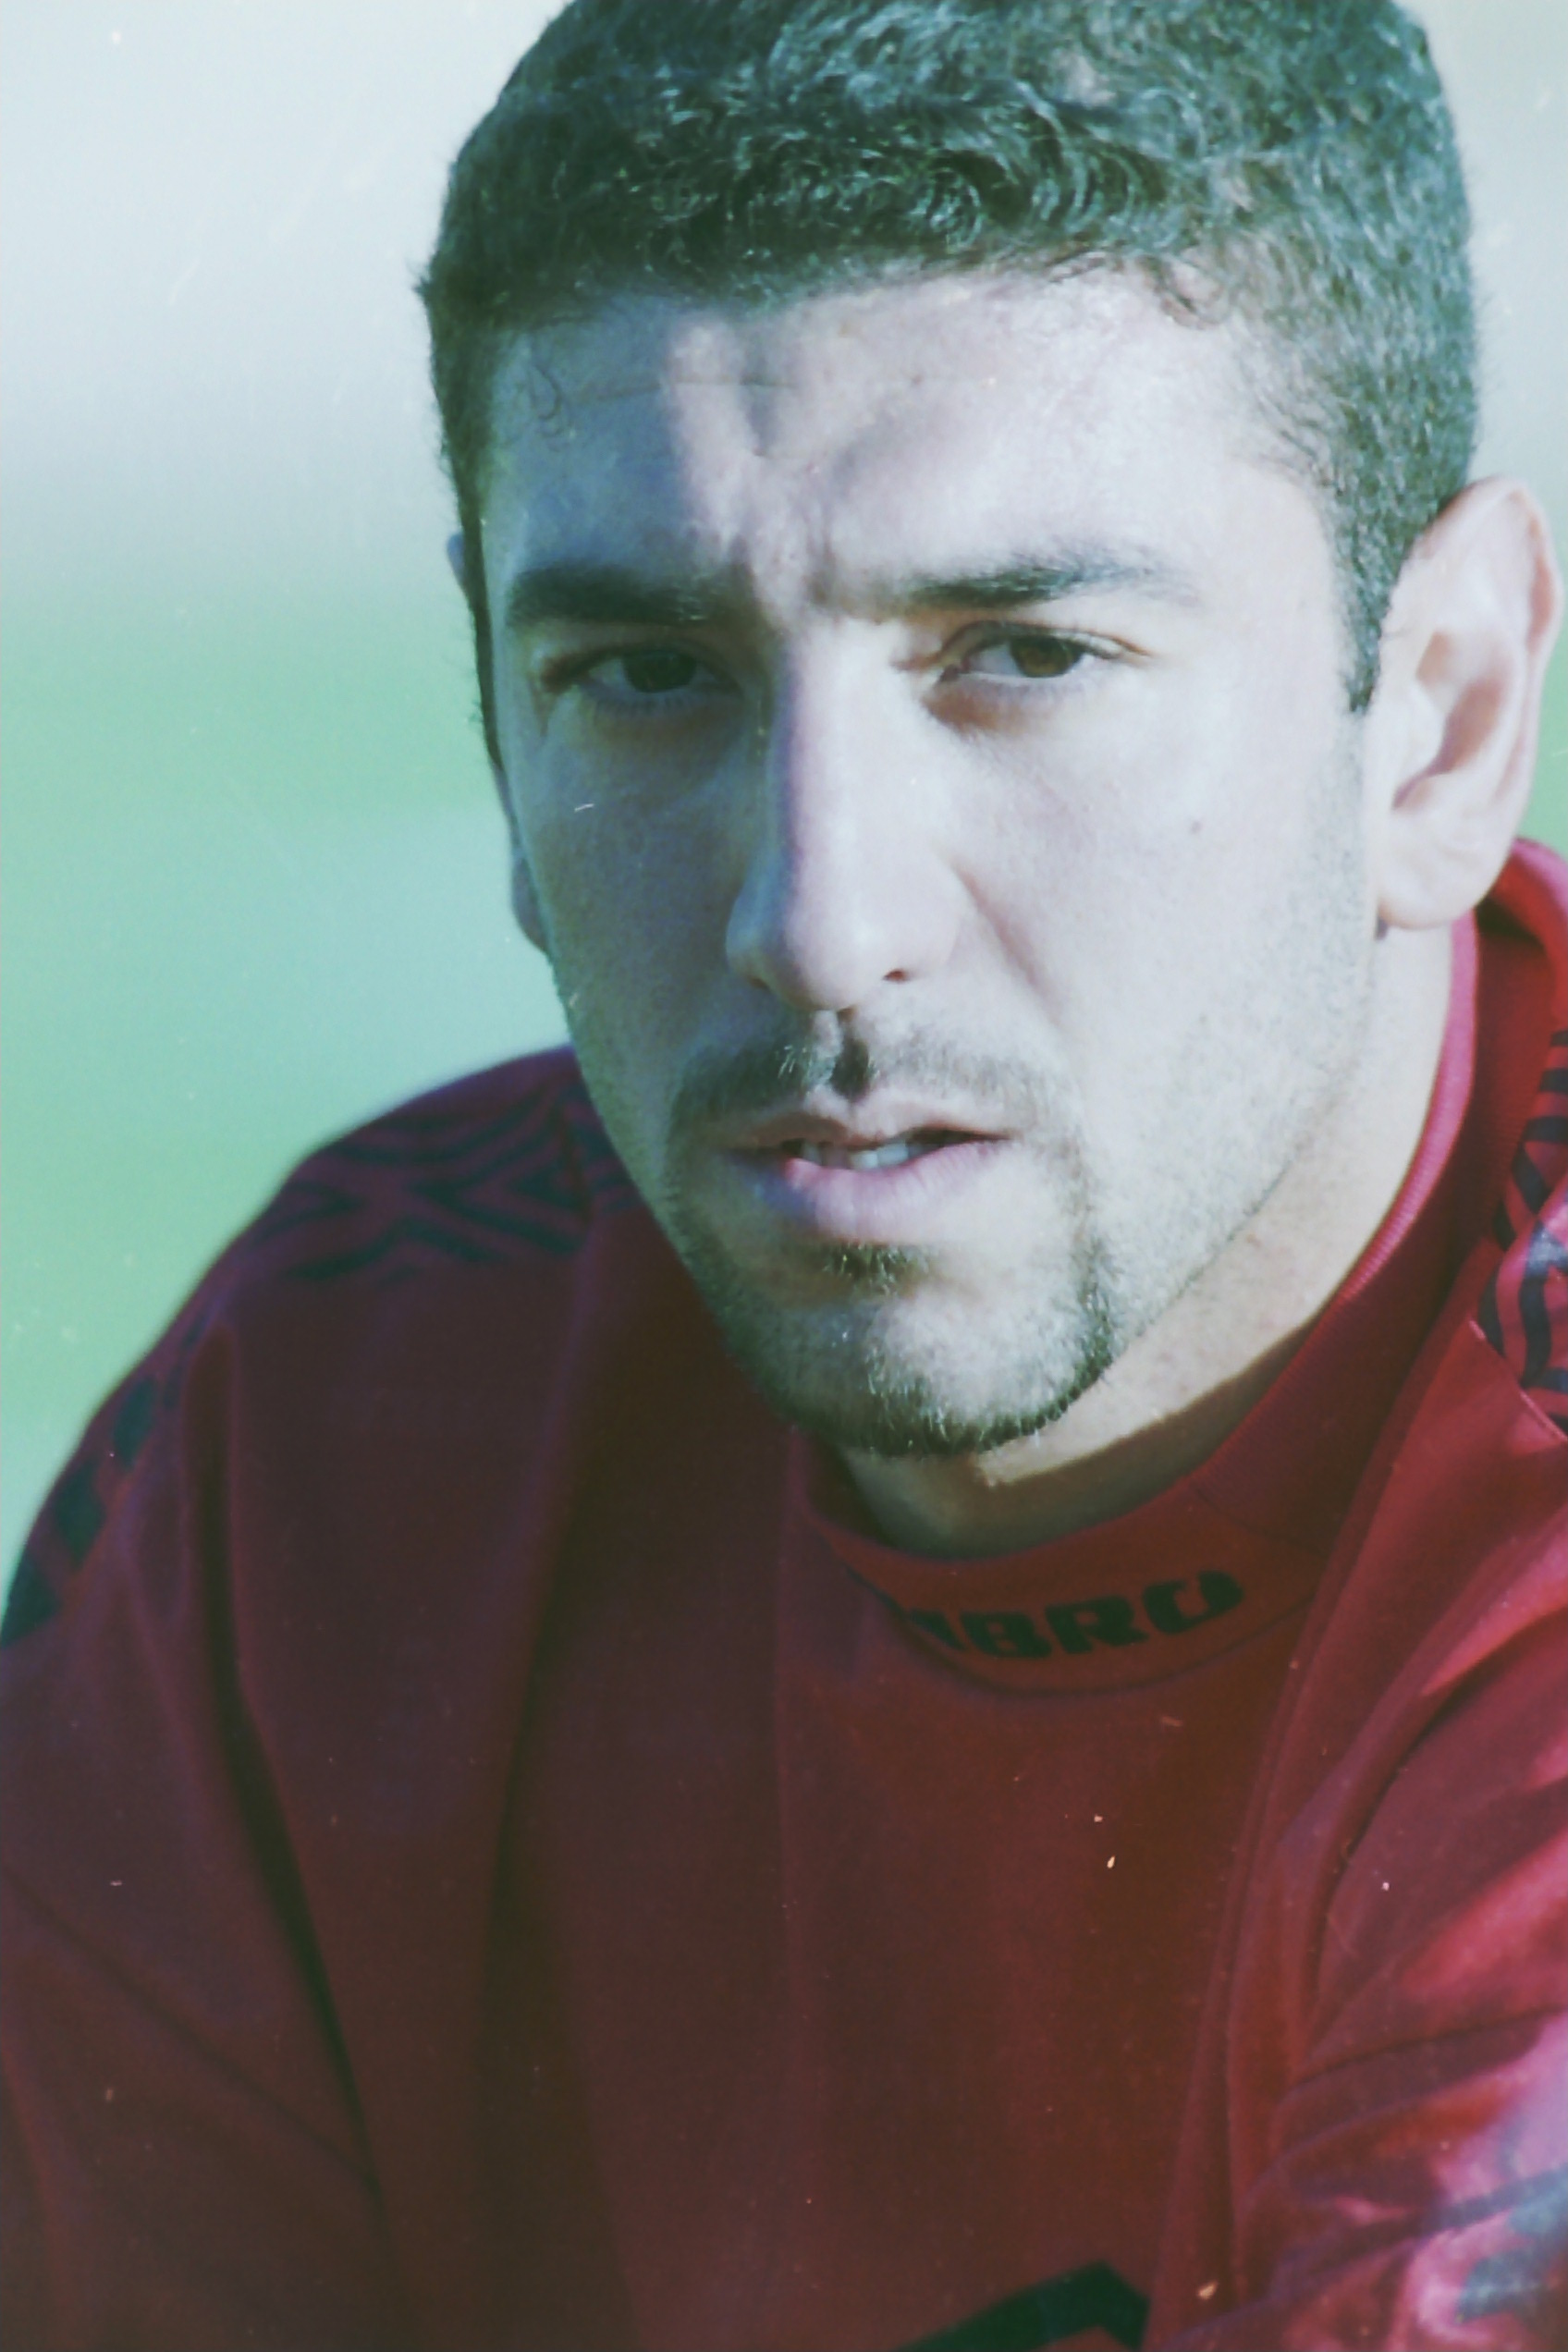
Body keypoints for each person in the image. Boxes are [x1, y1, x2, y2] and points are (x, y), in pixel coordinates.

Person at [4, 0, 1564, 2344]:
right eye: (647, 676)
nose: (818, 919)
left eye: (1023, 654)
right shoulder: (325, 1438)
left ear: (1436, 718)